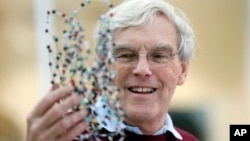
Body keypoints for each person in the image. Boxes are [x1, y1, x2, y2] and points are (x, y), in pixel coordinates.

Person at [26, 0, 199, 140]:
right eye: (125, 55)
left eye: (159, 56)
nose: (142, 69)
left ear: (182, 70)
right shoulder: (62, 135)